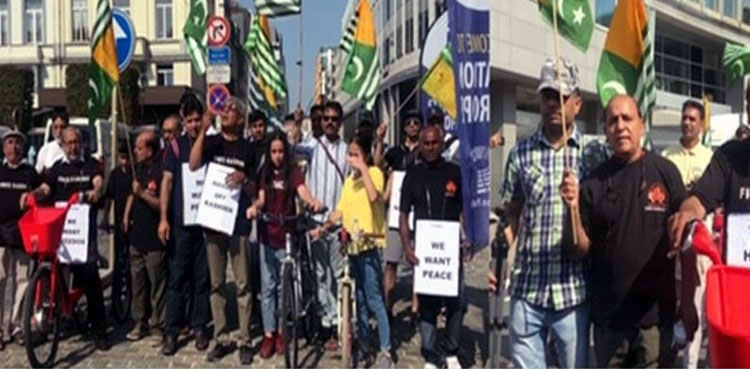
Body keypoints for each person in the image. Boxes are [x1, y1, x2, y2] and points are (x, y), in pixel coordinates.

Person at [494, 58, 606, 369]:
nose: (553, 104)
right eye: (547, 96)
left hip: (573, 292)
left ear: (577, 103)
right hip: (528, 289)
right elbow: (512, 212)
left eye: (562, 97)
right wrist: (497, 258)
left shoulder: (594, 155)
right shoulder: (520, 154)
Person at [565, 94, 689, 367]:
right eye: (612, 121)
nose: (620, 126)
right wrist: (572, 209)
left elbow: (687, 222)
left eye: (627, 118)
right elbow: (579, 249)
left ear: (642, 125)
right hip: (610, 322)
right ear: (606, 130)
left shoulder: (665, 172)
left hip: (655, 320)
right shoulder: (593, 182)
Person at [315, 131, 393, 367]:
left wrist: (365, 168)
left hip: (369, 246)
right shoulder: (349, 182)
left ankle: (386, 350)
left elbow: (373, 197)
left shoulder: (375, 174)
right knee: (357, 298)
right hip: (351, 247)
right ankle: (365, 344)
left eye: (355, 154)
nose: (350, 159)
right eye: (349, 155)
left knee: (374, 299)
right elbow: (341, 210)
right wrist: (325, 226)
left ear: (366, 155)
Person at [189, 97, 256, 364]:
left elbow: (253, 187)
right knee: (216, 284)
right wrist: (204, 130)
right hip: (214, 221)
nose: (225, 112)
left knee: (243, 284)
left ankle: (245, 339)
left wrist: (245, 178)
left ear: (240, 119)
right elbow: (194, 164)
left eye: (231, 110)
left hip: (238, 223)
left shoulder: (248, 148)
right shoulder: (213, 142)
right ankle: (220, 337)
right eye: (224, 109)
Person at [246, 131, 322, 359]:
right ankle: (269, 334)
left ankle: (282, 331)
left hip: (287, 234)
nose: (277, 156)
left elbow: (302, 190)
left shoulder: (293, 171)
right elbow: (260, 198)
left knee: (283, 287)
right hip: (267, 235)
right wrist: (255, 208)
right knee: (268, 287)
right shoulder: (265, 173)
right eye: (274, 151)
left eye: (281, 151)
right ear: (269, 153)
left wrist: (313, 201)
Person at [38, 126, 110, 350]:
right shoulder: (57, 167)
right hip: (61, 230)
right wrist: (33, 196)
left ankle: (100, 330)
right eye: (68, 143)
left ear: (82, 144)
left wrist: (94, 191)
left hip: (82, 230)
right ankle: (51, 321)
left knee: (89, 276)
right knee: (53, 274)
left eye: (76, 142)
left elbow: (98, 181)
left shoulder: (88, 164)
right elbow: (46, 188)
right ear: (63, 145)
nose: (72, 146)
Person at [399, 124, 464, 369]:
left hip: (450, 251)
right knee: (427, 305)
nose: (429, 147)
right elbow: (403, 215)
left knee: (457, 303)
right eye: (425, 143)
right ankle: (429, 353)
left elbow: (464, 209)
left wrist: (467, 238)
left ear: (441, 143)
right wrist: (407, 246)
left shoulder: (454, 172)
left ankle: (451, 350)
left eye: (434, 143)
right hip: (425, 252)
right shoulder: (412, 174)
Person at [661, 100, 713, 369]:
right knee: (671, 314)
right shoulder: (667, 157)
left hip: (700, 253)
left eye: (693, 119)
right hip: (670, 249)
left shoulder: (713, 160)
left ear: (702, 125)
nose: (687, 123)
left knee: (695, 315)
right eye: (684, 118)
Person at [296, 100, 350, 350]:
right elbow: (291, 149)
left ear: (340, 122)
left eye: (334, 119)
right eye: (325, 118)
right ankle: (325, 322)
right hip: (315, 223)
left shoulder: (348, 151)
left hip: (337, 224)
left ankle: (341, 325)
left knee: (339, 276)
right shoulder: (313, 146)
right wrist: (297, 124)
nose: (329, 122)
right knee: (320, 275)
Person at [159, 102, 211, 355]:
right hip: (181, 224)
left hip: (205, 224)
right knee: (177, 279)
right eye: (189, 120)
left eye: (197, 120)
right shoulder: (175, 147)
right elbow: (167, 183)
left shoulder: (209, 143)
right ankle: (172, 330)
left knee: (203, 279)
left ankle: (200, 325)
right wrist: (163, 219)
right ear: (183, 121)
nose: (194, 124)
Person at [0, 130, 44, 349]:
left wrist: (34, 194)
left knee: (23, 282)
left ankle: (17, 326)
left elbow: (44, 192)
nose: (14, 147)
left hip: (23, 235)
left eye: (18, 143)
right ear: (3, 147)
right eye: (10, 142)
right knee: (0, 281)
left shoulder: (30, 172)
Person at [122, 130, 167, 342]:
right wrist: (126, 214)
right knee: (137, 282)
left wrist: (142, 194)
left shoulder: (160, 170)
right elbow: (133, 192)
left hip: (154, 238)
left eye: (140, 148)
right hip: (137, 235)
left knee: (156, 284)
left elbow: (160, 203)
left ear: (150, 150)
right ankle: (139, 322)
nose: (135, 152)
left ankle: (157, 324)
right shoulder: (138, 169)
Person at [381, 110, 422, 313]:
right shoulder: (395, 152)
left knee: (418, 264)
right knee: (391, 262)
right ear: (404, 127)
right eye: (409, 122)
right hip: (397, 217)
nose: (413, 125)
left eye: (416, 122)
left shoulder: (427, 151)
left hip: (419, 216)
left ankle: (416, 308)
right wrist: (379, 141)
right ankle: (388, 305)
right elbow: (379, 165)